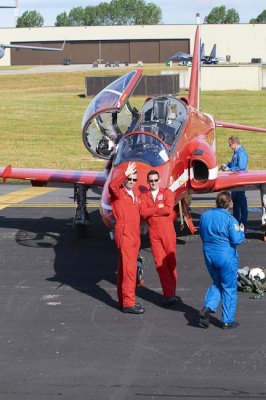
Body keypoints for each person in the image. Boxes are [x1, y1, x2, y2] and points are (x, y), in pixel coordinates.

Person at [199, 191, 245, 330]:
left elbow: (201, 233)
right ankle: (227, 319)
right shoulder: (230, 220)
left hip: (209, 254)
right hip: (225, 256)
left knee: (217, 282)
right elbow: (237, 239)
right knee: (229, 287)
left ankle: (208, 307)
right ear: (229, 203)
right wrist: (241, 231)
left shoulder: (205, 216)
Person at [109, 161, 144, 314]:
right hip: (124, 232)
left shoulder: (135, 194)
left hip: (134, 232)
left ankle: (123, 300)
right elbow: (112, 186)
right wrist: (124, 172)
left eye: (134, 179)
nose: (131, 182)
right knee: (129, 269)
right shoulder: (119, 192)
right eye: (129, 179)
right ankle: (129, 303)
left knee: (124, 268)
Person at [140, 170, 178, 307]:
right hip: (154, 233)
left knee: (170, 262)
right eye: (151, 181)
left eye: (156, 180)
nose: (153, 183)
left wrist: (153, 210)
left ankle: (171, 293)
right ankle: (169, 294)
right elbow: (143, 212)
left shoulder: (167, 193)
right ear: (148, 182)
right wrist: (158, 208)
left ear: (159, 180)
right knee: (159, 264)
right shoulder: (144, 196)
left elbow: (168, 210)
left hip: (167, 232)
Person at [220, 136, 249, 228]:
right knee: (236, 204)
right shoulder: (236, 152)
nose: (229, 146)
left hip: (239, 182)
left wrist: (229, 169)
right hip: (235, 182)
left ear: (234, 143)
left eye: (230, 144)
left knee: (242, 204)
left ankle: (243, 225)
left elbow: (241, 168)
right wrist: (226, 164)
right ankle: (236, 224)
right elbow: (234, 164)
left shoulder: (241, 153)